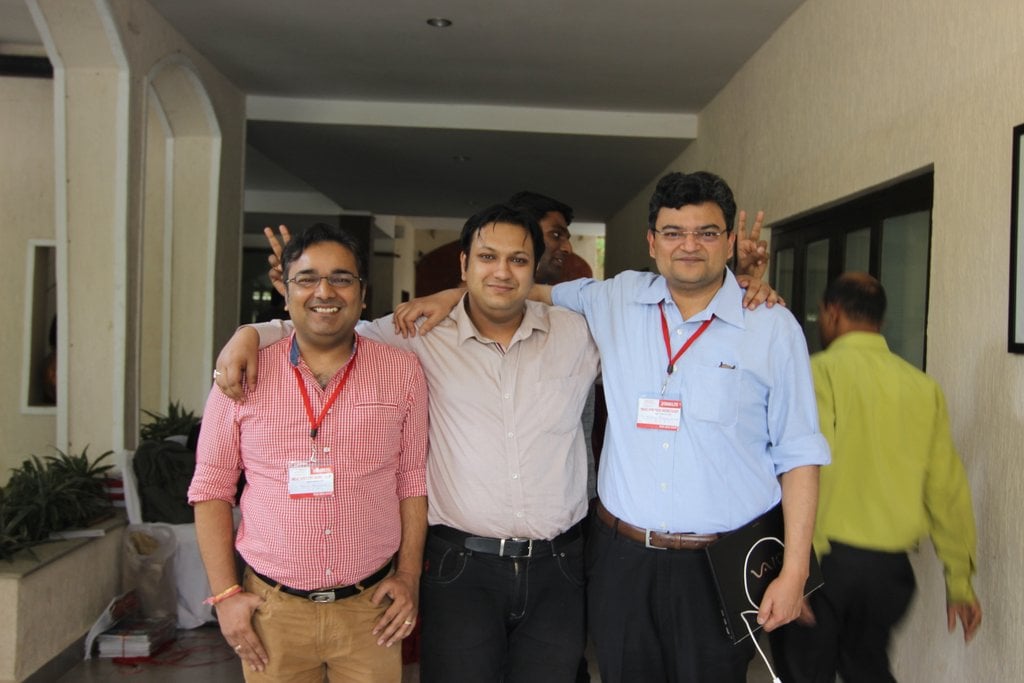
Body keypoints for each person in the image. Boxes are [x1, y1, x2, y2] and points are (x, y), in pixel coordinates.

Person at [391, 171, 828, 683]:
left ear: (730, 241)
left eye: (707, 232)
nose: (689, 246)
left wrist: (796, 567)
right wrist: (450, 294)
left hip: (720, 563)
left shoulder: (772, 327)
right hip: (622, 560)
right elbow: (521, 289)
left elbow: (798, 453)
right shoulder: (617, 299)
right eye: (673, 232)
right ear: (652, 241)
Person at [217, 205, 601, 682]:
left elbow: (639, 318)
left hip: (558, 567)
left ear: (535, 268)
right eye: (486, 257)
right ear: (463, 265)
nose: (502, 271)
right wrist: (252, 331)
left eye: (518, 260)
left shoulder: (579, 334)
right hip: (461, 567)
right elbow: (332, 327)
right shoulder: (414, 335)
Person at [188, 223, 429, 682]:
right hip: (272, 612)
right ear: (286, 291)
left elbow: (411, 480)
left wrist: (410, 575)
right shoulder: (240, 373)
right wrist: (224, 596)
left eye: (341, 278)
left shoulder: (402, 372)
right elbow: (211, 488)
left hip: (370, 610)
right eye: (307, 278)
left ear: (362, 293)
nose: (325, 291)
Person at [768, 272, 982, 683]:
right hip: (889, 574)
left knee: (804, 672)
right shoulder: (923, 388)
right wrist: (960, 582)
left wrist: (798, 567)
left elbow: (805, 468)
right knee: (867, 669)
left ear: (831, 313)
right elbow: (947, 490)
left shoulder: (816, 373)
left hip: (824, 563)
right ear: (879, 321)